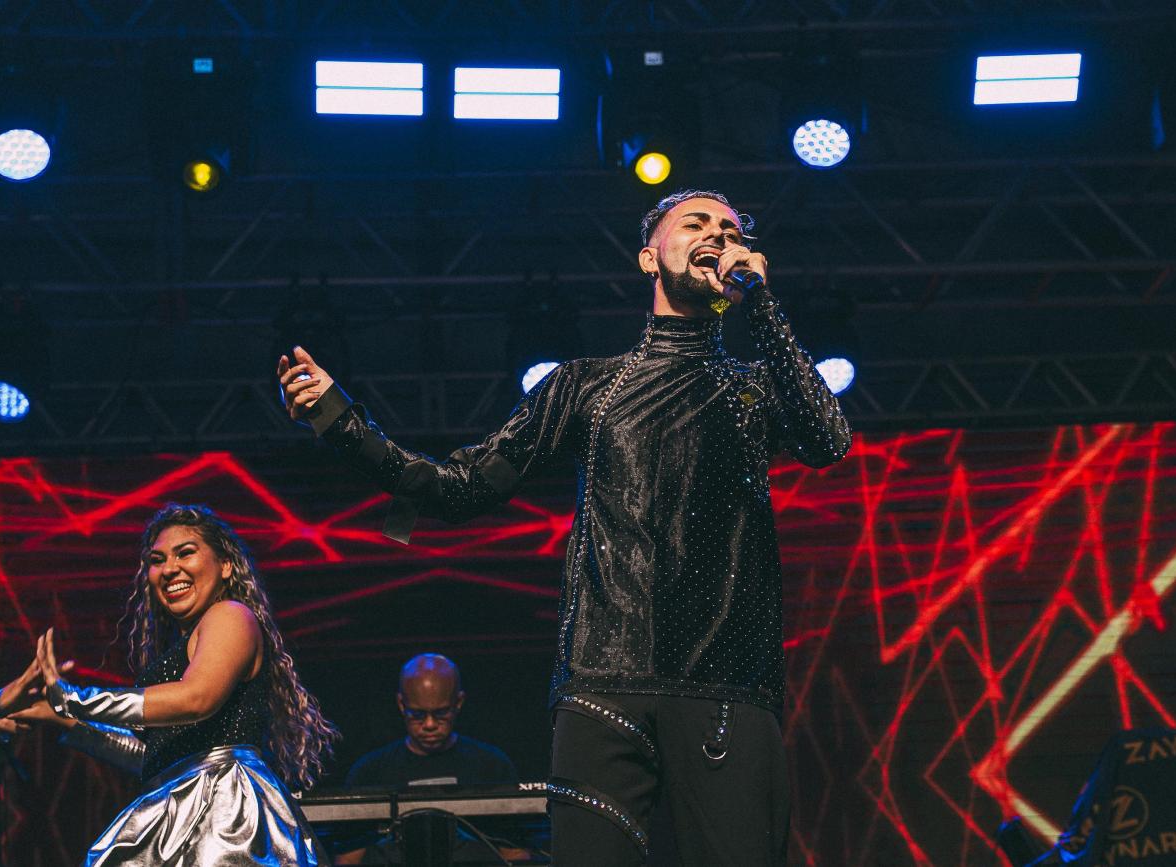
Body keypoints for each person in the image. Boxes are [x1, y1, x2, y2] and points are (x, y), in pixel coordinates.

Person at [277, 189, 851, 866]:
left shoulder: (754, 388)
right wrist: (340, 422)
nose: (717, 238)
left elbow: (828, 439)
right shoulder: (584, 387)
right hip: (604, 684)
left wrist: (762, 300)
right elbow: (459, 488)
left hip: (726, 681)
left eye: (730, 231)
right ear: (649, 258)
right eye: (696, 225)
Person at [15, 504, 340, 867]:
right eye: (157, 560)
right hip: (181, 802)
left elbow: (196, 697)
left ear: (226, 566)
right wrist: (59, 716)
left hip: (224, 812)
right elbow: (155, 755)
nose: (169, 569)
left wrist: (75, 698)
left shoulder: (230, 615)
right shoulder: (184, 643)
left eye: (185, 553)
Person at [346, 653, 517, 787]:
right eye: (418, 714)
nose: (430, 725)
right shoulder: (369, 773)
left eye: (441, 713)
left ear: (458, 702)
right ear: (401, 704)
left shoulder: (492, 767)